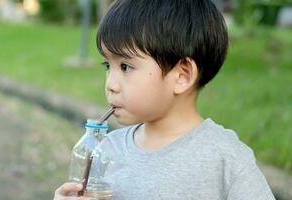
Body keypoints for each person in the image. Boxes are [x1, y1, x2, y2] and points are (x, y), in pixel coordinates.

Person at [54, 0, 276, 199]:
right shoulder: (108, 150)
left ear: (182, 76)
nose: (111, 84)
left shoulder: (225, 158)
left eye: (125, 67)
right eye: (107, 66)